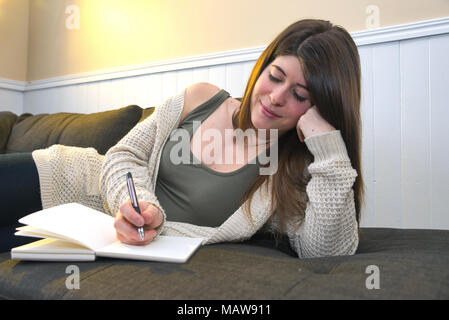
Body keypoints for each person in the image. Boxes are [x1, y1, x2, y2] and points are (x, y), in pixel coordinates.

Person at [0, 19, 363, 258]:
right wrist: (144, 207)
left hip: (95, 239)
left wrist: (329, 146)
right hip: (66, 177)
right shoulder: (201, 97)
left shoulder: (290, 176)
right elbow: (123, 155)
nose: (275, 97)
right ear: (262, 66)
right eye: (276, 75)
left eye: (300, 95)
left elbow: (326, 252)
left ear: (319, 110)